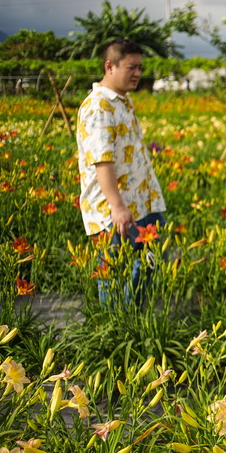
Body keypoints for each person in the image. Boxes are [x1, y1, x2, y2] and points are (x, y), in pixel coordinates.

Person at [76, 38, 166, 306]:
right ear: (109, 66)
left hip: (143, 203)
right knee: (113, 278)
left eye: (140, 67)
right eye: (131, 67)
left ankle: (136, 322)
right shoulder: (98, 107)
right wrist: (117, 207)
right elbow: (101, 162)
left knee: (147, 266)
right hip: (114, 212)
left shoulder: (122, 101)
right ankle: (116, 335)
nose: (138, 73)